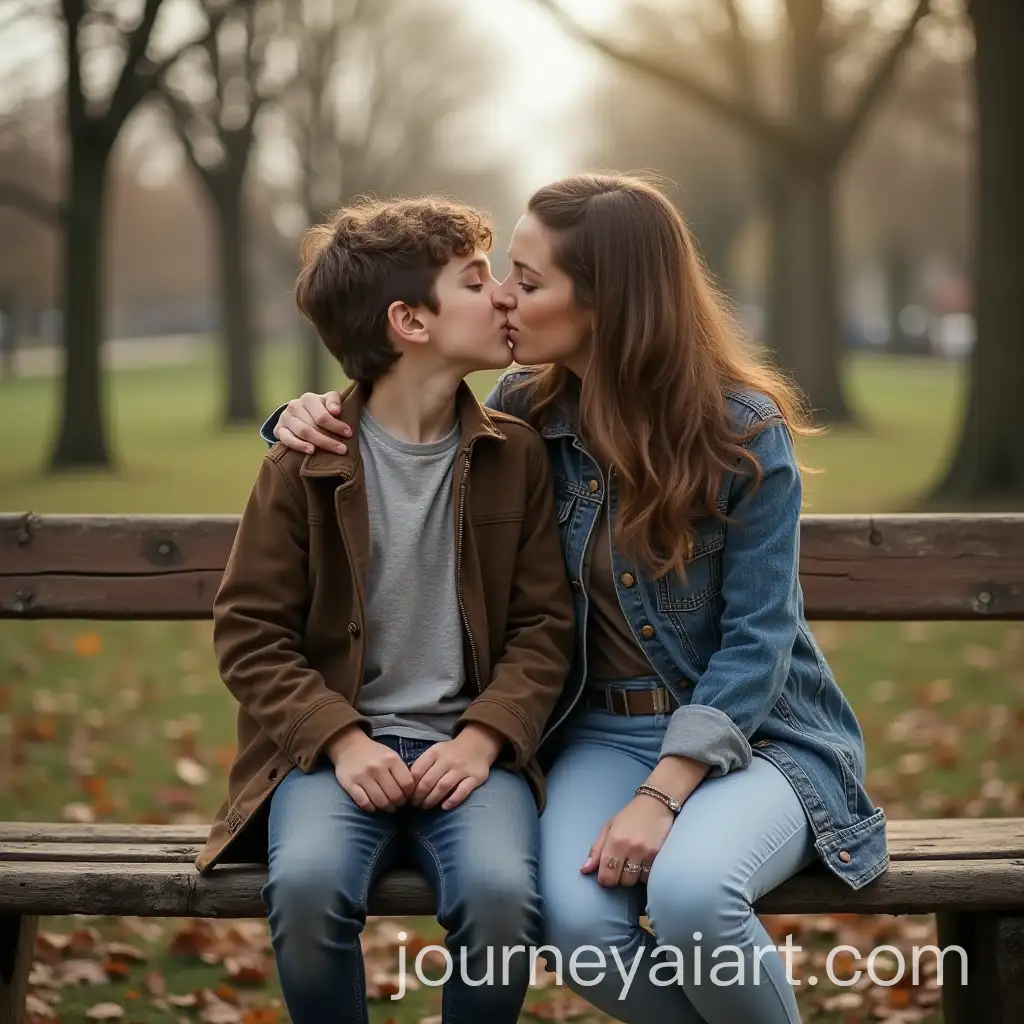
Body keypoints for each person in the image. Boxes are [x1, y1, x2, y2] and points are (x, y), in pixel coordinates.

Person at [261, 173, 888, 1024]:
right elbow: (400, 410)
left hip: (759, 737)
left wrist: (661, 795)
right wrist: (297, 419)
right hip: (596, 735)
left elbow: (758, 643)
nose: (506, 297)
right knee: (575, 923)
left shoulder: (743, 433)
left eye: (527, 278)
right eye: (497, 277)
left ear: (607, 301)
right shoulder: (526, 414)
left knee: (697, 898)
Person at [195, 195, 575, 1024]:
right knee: (303, 887)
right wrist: (340, 739)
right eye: (477, 282)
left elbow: (546, 626)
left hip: (471, 756)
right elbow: (250, 631)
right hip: (333, 758)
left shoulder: (519, 456)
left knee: (503, 896)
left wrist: (483, 738)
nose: (503, 295)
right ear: (409, 320)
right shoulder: (305, 462)